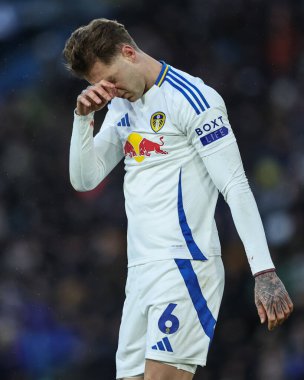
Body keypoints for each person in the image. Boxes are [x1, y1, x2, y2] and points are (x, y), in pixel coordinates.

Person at [63, 18, 293, 380]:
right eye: (99, 86)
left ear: (128, 53)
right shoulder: (121, 106)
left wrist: (263, 272)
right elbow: (84, 178)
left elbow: (234, 185)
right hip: (140, 272)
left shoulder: (194, 100)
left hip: (185, 264)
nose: (109, 92)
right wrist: (82, 118)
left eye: (111, 80)